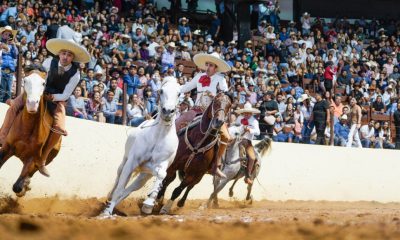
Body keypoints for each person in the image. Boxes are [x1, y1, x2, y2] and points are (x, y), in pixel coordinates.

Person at [0, 38, 90, 176]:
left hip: (56, 99)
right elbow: (41, 79)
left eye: (69, 55)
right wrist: (39, 93)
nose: (66, 56)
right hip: (39, 91)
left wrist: (53, 98)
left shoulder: (76, 74)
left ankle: (42, 159)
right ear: (59, 53)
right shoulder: (49, 62)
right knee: (14, 106)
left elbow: (66, 93)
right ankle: (2, 137)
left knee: (59, 128)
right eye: (64, 53)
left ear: (73, 57)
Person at [176, 52, 231, 178]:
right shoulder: (198, 76)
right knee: (178, 122)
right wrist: (172, 87)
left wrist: (216, 96)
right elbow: (185, 88)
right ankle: (169, 153)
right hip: (196, 110)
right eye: (207, 64)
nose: (208, 67)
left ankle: (215, 166)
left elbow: (226, 96)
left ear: (216, 67)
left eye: (211, 65)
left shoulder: (220, 79)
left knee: (226, 137)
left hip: (212, 113)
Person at [235, 102, 260, 184]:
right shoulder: (239, 118)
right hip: (236, 139)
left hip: (247, 141)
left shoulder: (254, 121)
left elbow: (258, 132)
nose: (246, 114)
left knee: (252, 158)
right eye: (245, 113)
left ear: (251, 113)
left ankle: (248, 175)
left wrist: (250, 130)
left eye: (248, 113)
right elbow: (235, 126)